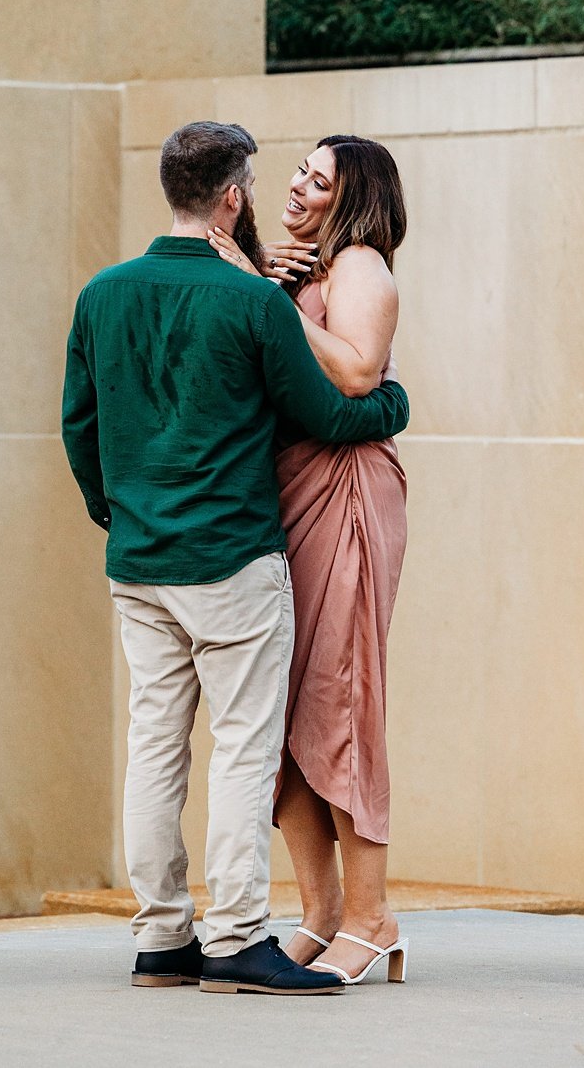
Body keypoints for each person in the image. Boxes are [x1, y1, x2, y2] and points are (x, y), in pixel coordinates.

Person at [62, 121, 410, 997]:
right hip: (233, 555)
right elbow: (334, 414)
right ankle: (233, 940)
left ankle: (161, 942)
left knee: (154, 747)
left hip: (139, 560)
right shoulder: (252, 299)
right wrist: (393, 403)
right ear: (232, 196)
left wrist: (119, 514)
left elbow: (80, 427)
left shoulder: (101, 293)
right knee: (247, 748)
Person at [208, 134, 409, 988]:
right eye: (298, 170)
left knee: (341, 697)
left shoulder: (362, 266)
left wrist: (269, 299)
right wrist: (265, 281)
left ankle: (373, 918)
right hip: (286, 496)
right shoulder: (296, 271)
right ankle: (321, 913)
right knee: (284, 710)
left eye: (318, 180)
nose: (296, 185)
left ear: (351, 199)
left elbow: (360, 374)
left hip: (348, 494)